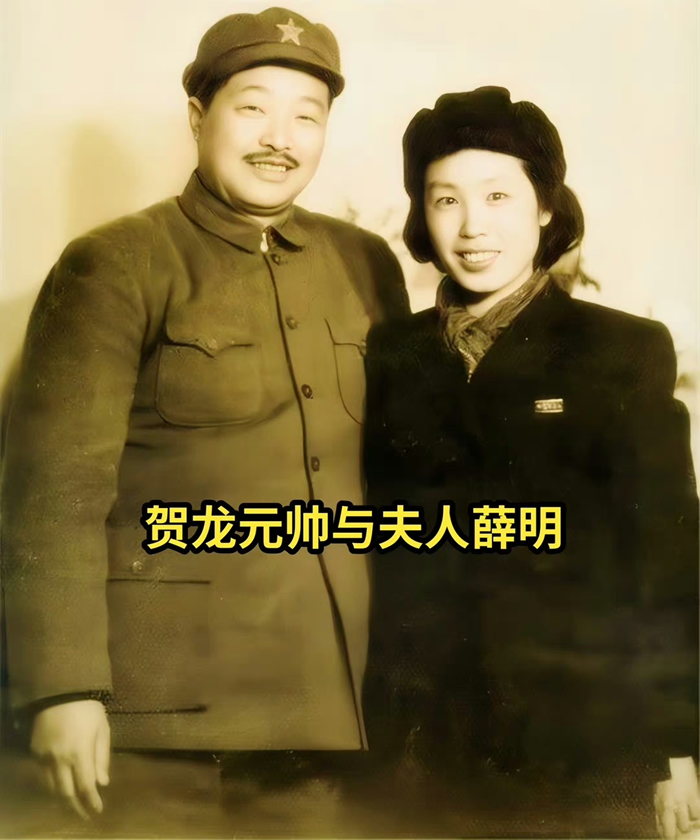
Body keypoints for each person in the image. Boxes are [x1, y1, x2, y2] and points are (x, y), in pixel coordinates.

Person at [0, 7, 409, 836]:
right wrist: (63, 688)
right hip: (159, 716)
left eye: (307, 116)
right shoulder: (116, 262)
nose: (280, 138)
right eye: (253, 107)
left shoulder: (365, 263)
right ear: (198, 117)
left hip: (329, 709)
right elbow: (55, 492)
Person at [363, 87, 699, 838]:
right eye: (445, 199)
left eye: (497, 196)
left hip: (587, 746)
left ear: (545, 207)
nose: (472, 226)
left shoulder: (622, 349)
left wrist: (675, 745)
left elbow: (667, 556)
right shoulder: (392, 353)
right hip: (423, 749)